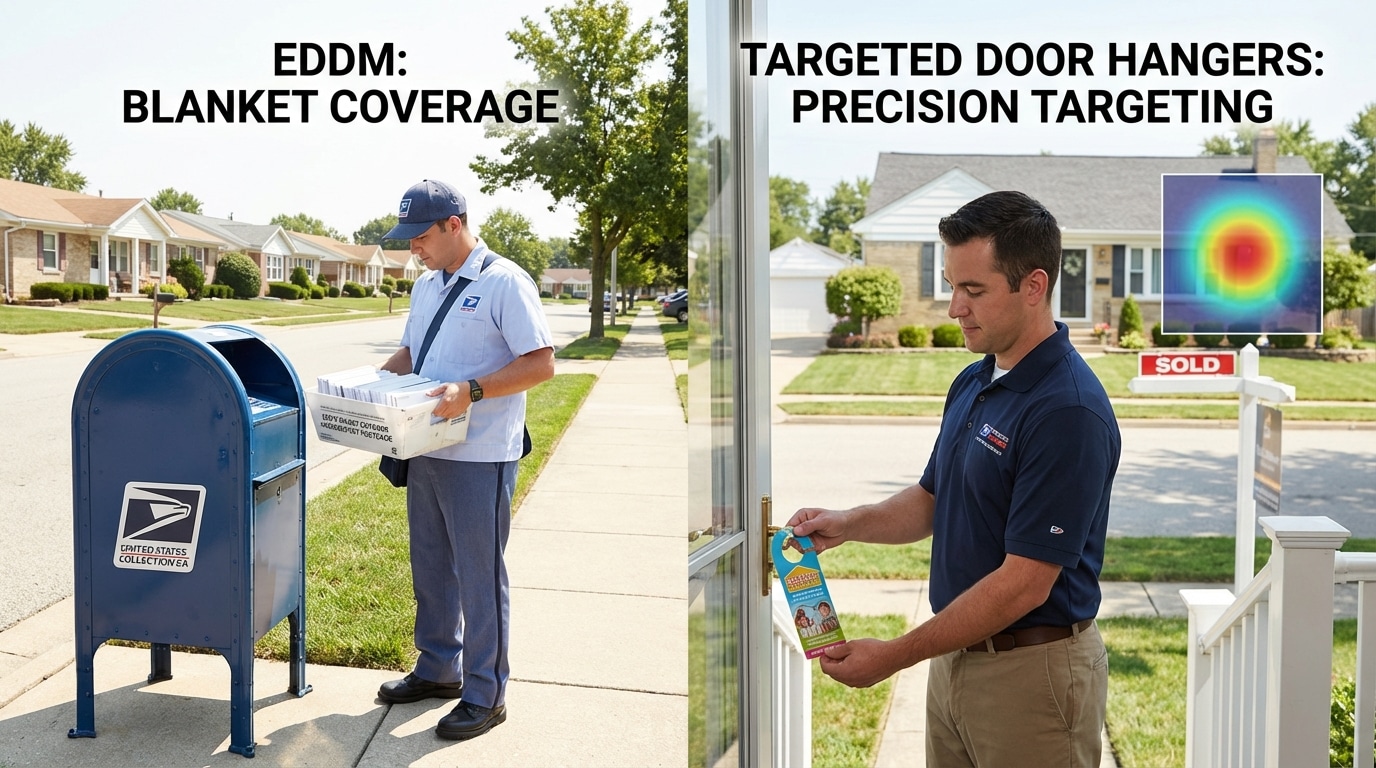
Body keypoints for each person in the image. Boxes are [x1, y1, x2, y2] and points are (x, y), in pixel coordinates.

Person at [787, 190, 1121, 766]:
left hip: (1032, 677)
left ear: (1034, 286)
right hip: (956, 658)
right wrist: (849, 523)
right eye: (951, 286)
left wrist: (894, 655)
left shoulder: (1067, 410)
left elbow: (1024, 583)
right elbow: (932, 499)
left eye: (973, 290)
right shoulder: (975, 380)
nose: (953, 308)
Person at [375, 179, 555, 741]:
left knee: (479, 576)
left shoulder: (505, 282)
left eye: (421, 236)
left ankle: (486, 692)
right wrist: (380, 378)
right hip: (426, 445)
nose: (414, 250)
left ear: (455, 224)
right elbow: (414, 351)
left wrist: (471, 391)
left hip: (480, 454)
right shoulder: (427, 286)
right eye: (407, 239)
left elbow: (541, 363)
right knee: (431, 567)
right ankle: (437, 670)